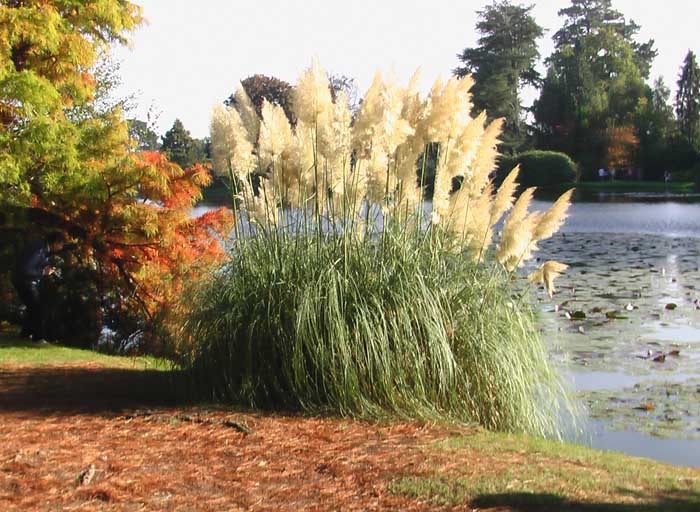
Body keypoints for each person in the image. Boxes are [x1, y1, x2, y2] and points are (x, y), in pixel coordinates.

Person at [11, 232, 64, 341]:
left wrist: (48, 268)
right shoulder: (38, 249)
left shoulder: (42, 248)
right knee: (37, 308)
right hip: (24, 281)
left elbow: (42, 261)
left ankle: (25, 334)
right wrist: (42, 272)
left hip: (24, 280)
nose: (61, 247)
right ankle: (38, 338)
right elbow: (26, 269)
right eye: (61, 244)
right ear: (55, 243)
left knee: (33, 308)